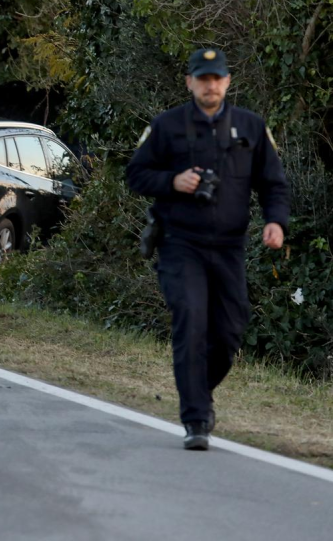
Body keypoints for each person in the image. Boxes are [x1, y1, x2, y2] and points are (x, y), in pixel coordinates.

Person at [126, 48, 290, 451]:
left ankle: (198, 387)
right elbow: (136, 174)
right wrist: (173, 181)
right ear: (190, 82)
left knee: (230, 329)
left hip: (230, 248)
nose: (210, 85)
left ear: (227, 82)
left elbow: (274, 183)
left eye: (217, 78)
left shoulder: (250, 127)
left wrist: (276, 221)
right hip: (182, 244)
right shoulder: (167, 126)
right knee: (191, 320)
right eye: (203, 78)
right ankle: (196, 419)